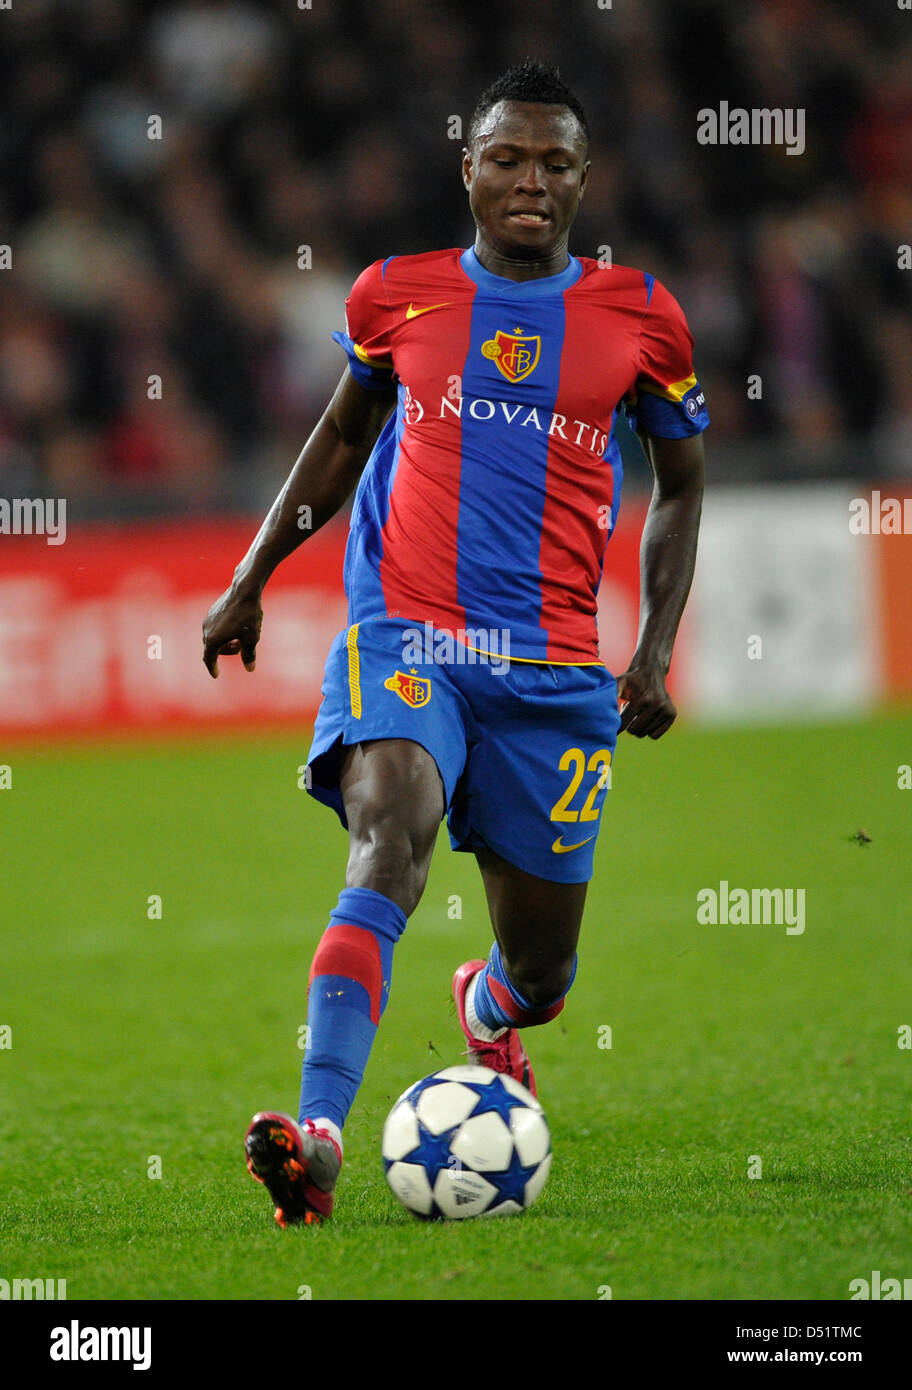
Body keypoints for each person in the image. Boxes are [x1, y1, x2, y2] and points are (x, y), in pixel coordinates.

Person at [202, 59, 708, 1227]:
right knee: (389, 838)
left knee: (544, 973)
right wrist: (250, 575)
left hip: (554, 675)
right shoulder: (397, 297)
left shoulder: (642, 316)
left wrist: (657, 644)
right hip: (408, 637)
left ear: (586, 179)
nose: (531, 180)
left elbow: (680, 482)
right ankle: (318, 1134)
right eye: (507, 157)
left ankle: (484, 1007)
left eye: (555, 162)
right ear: (466, 167)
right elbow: (340, 434)